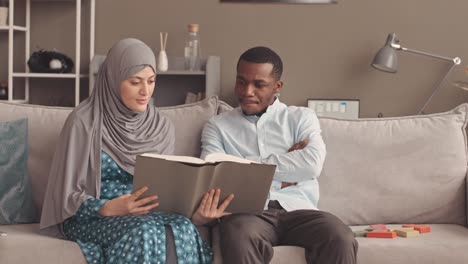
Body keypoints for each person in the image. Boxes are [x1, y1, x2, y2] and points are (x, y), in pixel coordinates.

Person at [39, 38, 228, 264]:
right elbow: (65, 197)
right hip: (93, 217)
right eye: (135, 82)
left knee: (182, 228)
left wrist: (191, 211)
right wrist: (107, 207)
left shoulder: (160, 126)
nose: (145, 91)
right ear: (113, 80)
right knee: (144, 232)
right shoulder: (83, 123)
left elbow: (165, 192)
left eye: (151, 81)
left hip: (148, 214)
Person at [200, 46, 358, 264]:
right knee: (238, 232)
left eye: (259, 84)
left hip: (299, 210)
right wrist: (285, 169)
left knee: (339, 235)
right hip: (248, 214)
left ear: (277, 86)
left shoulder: (301, 118)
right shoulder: (217, 126)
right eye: (241, 81)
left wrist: (244, 166)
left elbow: (311, 165)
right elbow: (213, 172)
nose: (247, 91)